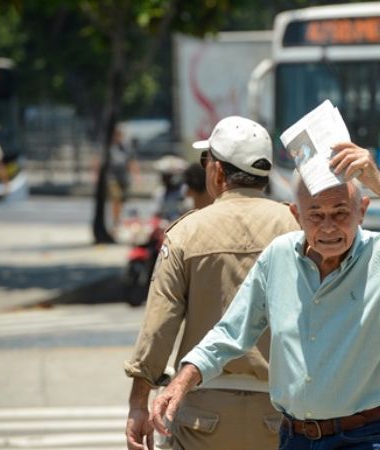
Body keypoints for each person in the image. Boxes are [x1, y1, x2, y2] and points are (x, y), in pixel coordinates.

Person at [150, 141, 380, 450]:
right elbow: (232, 332)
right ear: (296, 215)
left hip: (367, 436)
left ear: (362, 210)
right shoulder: (279, 256)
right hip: (294, 437)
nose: (328, 227)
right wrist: (182, 381)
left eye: (340, 213)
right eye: (316, 216)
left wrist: (379, 185)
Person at [124, 116, 300, 450]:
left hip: (200, 410)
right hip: (281, 410)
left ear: (217, 172)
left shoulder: (185, 233)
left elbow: (158, 328)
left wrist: (138, 403)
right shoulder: (299, 228)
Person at [106, 125, 140, 230]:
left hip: (124, 177)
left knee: (121, 200)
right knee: (116, 198)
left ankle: (117, 218)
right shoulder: (108, 147)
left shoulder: (125, 147)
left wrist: (136, 175)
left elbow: (131, 161)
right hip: (112, 177)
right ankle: (115, 222)